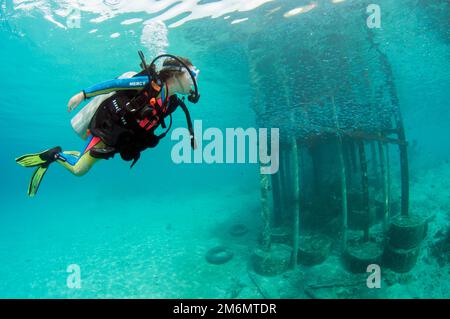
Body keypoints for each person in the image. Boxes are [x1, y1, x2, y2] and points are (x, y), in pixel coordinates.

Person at [15, 52, 201, 196]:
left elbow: (174, 119)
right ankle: (54, 154)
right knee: (79, 170)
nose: (195, 80)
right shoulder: (148, 83)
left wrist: (192, 137)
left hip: (120, 137)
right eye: (192, 74)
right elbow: (114, 84)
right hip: (107, 130)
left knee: (82, 165)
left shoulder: (172, 101)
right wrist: (83, 94)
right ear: (177, 74)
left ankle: (74, 154)